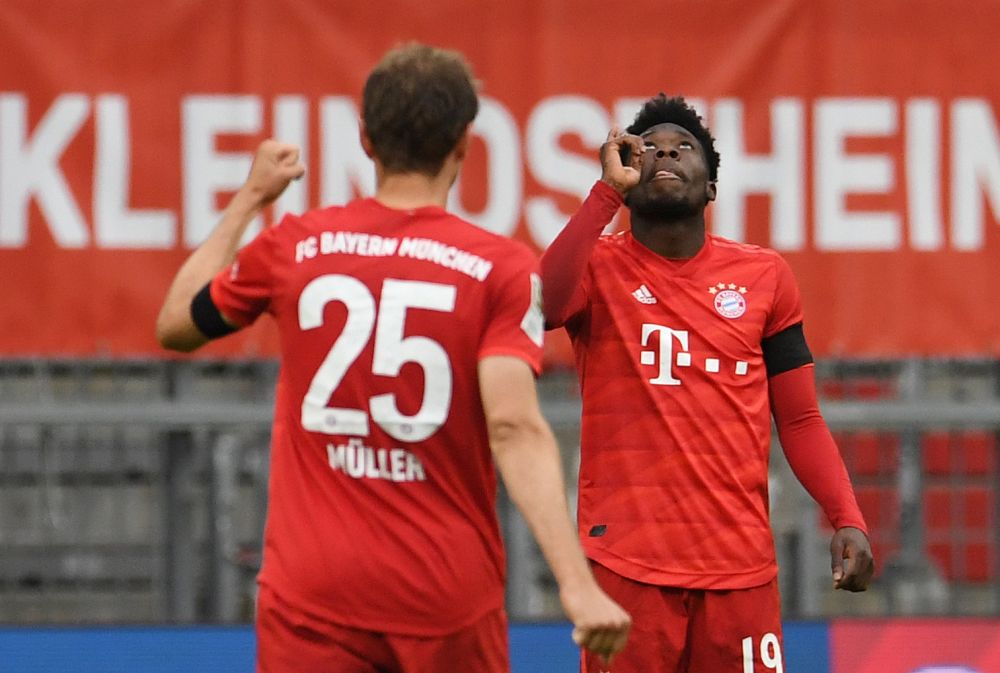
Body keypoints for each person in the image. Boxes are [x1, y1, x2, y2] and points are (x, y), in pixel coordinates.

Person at [156, 43, 630, 673]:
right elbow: (513, 425)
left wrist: (250, 198)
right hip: (445, 597)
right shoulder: (502, 268)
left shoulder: (295, 245)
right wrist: (575, 583)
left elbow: (176, 325)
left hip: (311, 593)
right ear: (464, 143)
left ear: (365, 139)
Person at [540, 94, 875, 673]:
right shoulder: (597, 266)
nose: (666, 150)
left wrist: (847, 516)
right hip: (627, 568)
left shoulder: (766, 277)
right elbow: (540, 305)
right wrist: (605, 196)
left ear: (712, 187)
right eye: (649, 148)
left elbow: (798, 418)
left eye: (684, 146)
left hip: (739, 576)